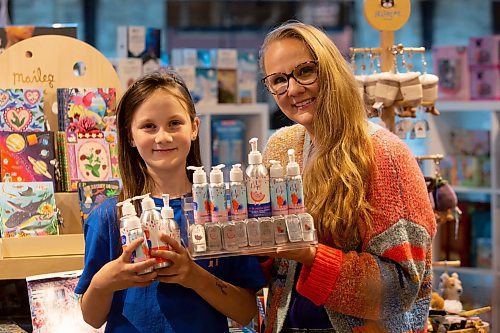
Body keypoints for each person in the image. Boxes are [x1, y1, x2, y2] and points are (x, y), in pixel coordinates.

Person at [259, 21, 436, 333]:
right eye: (279, 80)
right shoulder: (280, 147)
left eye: (304, 71)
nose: (294, 89)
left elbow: (404, 289)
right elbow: (276, 268)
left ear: (330, 69)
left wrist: (313, 255)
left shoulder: (385, 154)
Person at [75, 71, 266, 333]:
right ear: (130, 136)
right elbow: (92, 318)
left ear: (195, 127)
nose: (163, 137)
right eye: (149, 126)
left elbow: (246, 312)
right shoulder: (109, 216)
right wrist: (104, 282)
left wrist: (194, 276)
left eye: (174, 123)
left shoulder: (223, 210)